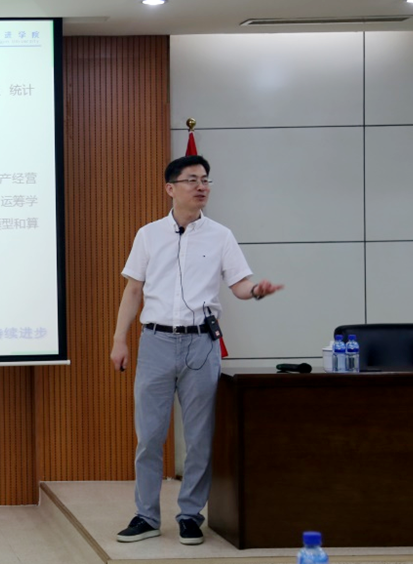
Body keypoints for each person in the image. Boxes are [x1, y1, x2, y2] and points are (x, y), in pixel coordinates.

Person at [110, 155, 283, 545]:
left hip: (201, 344)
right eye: (191, 180)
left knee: (199, 437)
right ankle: (146, 516)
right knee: (149, 436)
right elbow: (133, 290)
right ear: (170, 188)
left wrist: (256, 290)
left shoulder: (220, 235)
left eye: (205, 179)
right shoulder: (148, 235)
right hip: (155, 341)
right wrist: (120, 339)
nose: (201, 186)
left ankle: (190, 515)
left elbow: (239, 285)